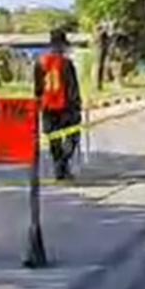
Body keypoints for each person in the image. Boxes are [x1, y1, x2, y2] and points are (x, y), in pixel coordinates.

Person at [35, 28, 82, 181]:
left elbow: (37, 88)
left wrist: (38, 103)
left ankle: (59, 167)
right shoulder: (67, 64)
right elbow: (72, 87)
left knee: (53, 139)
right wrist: (77, 106)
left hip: (48, 107)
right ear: (62, 45)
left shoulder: (40, 63)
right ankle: (62, 164)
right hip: (66, 107)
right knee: (73, 136)